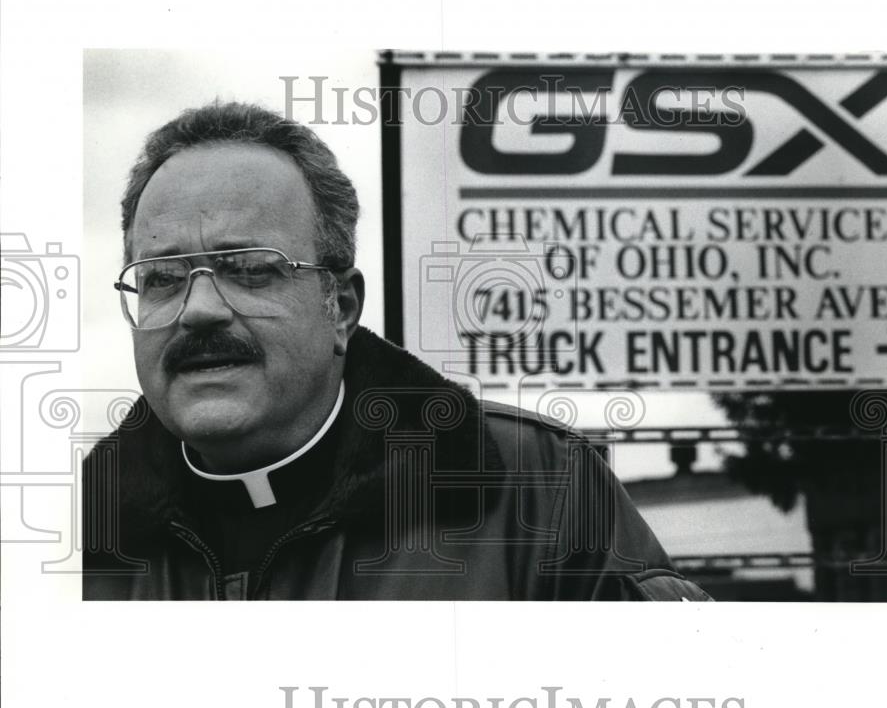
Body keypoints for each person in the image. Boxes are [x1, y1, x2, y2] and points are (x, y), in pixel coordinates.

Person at [83, 101, 710, 601]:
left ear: (342, 307)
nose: (198, 310)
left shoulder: (538, 491)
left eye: (249, 268)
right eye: (160, 278)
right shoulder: (63, 534)